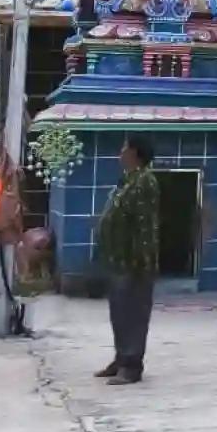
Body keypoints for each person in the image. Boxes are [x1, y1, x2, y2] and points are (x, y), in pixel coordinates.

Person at [94, 135, 160, 386]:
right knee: (119, 312)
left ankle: (132, 366)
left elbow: (145, 226)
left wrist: (142, 263)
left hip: (134, 262)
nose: (120, 153)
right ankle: (121, 357)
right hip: (118, 259)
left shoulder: (145, 181)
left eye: (124, 148)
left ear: (135, 153)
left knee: (133, 313)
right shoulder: (127, 180)